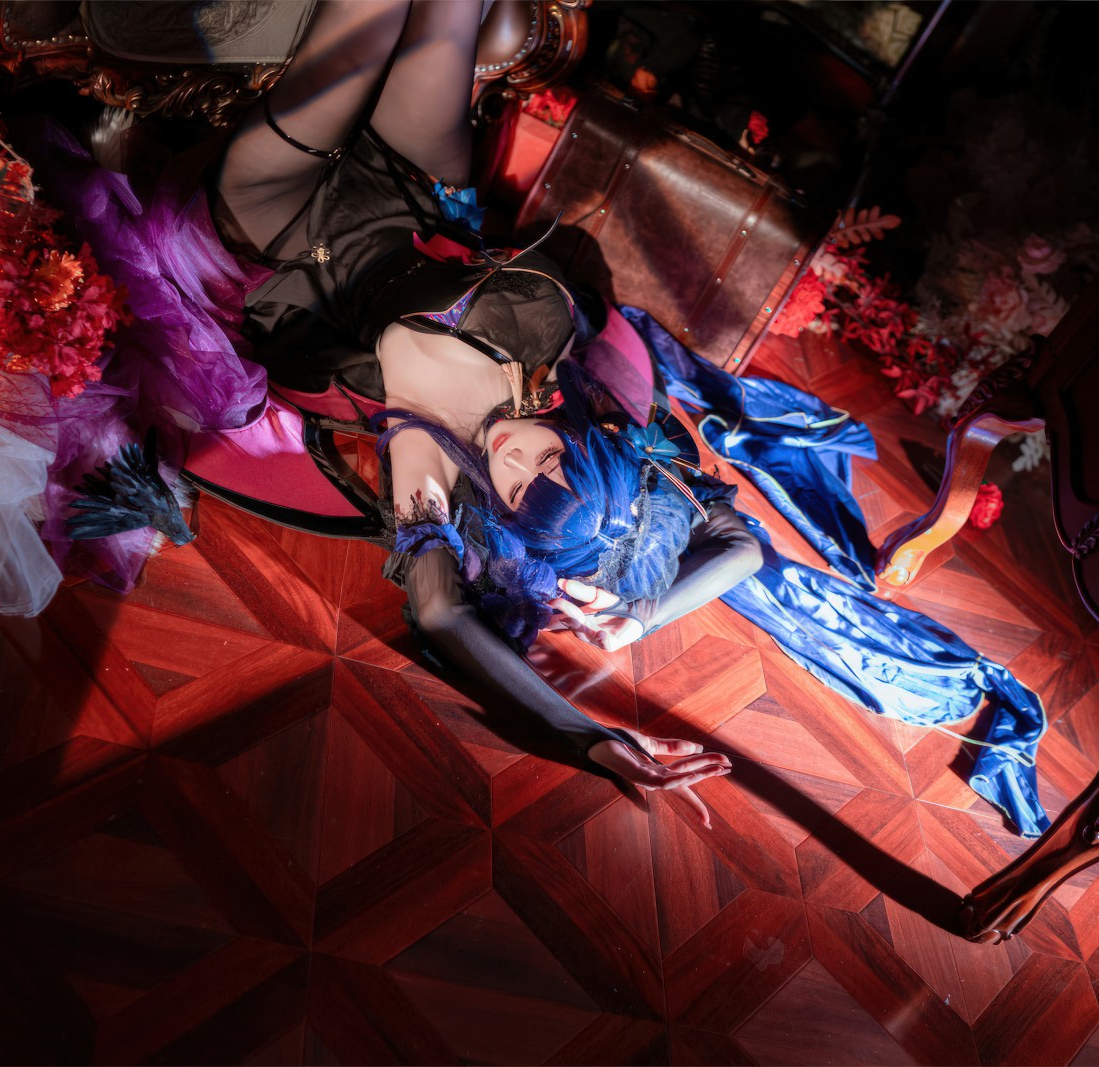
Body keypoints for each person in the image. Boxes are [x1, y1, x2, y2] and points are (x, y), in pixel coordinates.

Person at [200, 0, 758, 823]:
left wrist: (589, 737)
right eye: (549, 455)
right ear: (583, 439)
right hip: (411, 192)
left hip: (291, 233)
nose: (512, 457)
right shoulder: (559, 358)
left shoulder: (431, 466)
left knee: (367, 11)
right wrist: (640, 616)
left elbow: (440, 612)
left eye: (518, 487)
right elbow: (740, 545)